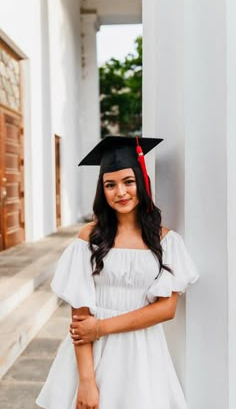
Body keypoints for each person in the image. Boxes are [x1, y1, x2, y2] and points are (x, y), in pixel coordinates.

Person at [36, 136, 199, 409]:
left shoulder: (166, 242)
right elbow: (80, 317)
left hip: (143, 355)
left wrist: (100, 327)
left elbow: (165, 310)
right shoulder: (90, 238)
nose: (120, 192)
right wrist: (86, 382)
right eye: (110, 185)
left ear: (142, 183)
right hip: (92, 356)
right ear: (102, 190)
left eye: (128, 181)